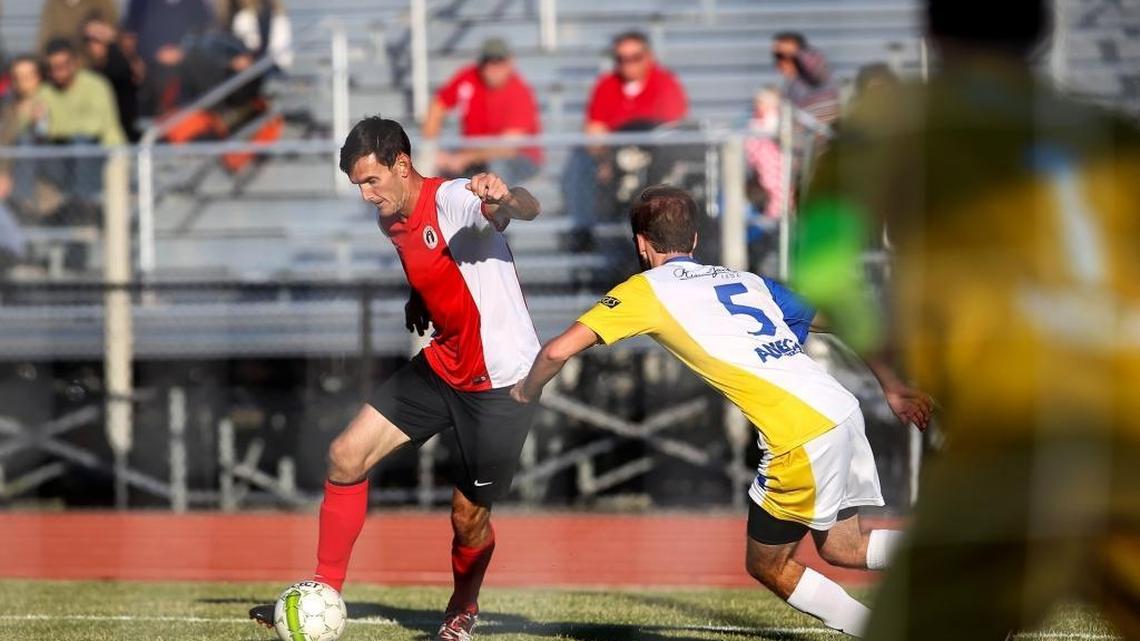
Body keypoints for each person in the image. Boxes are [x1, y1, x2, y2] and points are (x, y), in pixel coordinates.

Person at [793, 0, 1140, 639]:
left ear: (931, 32)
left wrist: (891, 367)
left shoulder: (887, 130)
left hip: (1006, 428)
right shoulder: (1112, 132)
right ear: (1043, 31)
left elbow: (820, 272)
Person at [511, 185, 932, 637]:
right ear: (694, 241)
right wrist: (891, 385)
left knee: (767, 565)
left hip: (800, 432)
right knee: (844, 548)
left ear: (640, 243)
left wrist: (524, 392)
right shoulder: (745, 280)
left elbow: (556, 351)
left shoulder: (644, 291)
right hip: (841, 411)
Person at [248, 116, 543, 641]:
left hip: (502, 381)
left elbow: (518, 207)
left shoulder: (450, 198)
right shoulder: (391, 218)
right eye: (357, 185)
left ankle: (463, 607)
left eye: (371, 181)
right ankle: (323, 591)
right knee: (345, 456)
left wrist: (504, 194)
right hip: (445, 362)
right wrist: (418, 296)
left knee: (466, 519)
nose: (365, 195)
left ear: (402, 166)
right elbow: (428, 258)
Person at [561, 31, 687, 237]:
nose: (628, 64)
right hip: (612, 159)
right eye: (621, 59)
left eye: (635, 57)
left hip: (652, 159)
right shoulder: (607, 85)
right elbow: (594, 133)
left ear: (649, 57)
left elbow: (670, 133)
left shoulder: (665, 83)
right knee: (580, 161)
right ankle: (584, 232)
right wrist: (605, 158)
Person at [422, 38, 542, 186]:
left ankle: (501, 209)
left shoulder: (519, 92)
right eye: (488, 60)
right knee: (426, 163)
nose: (493, 67)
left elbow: (508, 147)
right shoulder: (469, 77)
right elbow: (437, 106)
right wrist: (431, 147)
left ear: (510, 63)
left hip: (519, 159)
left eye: (499, 61)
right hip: (476, 156)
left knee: (496, 170)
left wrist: (464, 158)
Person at [38, 38, 125, 222]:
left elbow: (93, 127)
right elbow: (41, 130)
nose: (59, 71)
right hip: (65, 155)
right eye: (53, 66)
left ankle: (83, 205)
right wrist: (40, 123)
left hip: (103, 151)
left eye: (64, 64)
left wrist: (55, 128)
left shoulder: (95, 85)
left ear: (75, 62)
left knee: (81, 142)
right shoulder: (45, 91)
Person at [121, 0, 215, 116]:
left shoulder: (196, 3)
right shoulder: (140, 3)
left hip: (190, 68)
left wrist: (183, 52)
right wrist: (138, 60)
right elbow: (129, 37)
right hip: (153, 72)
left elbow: (207, 33)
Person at [81, 15, 142, 142]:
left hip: (119, 138)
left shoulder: (119, 69)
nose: (92, 45)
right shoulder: (83, 68)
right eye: (88, 40)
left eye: (97, 39)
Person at [771, 32, 839, 128]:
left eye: (781, 56)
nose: (779, 62)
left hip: (824, 135)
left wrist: (796, 53)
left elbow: (815, 65)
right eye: (776, 56)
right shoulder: (792, 85)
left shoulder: (816, 71)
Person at [222, 0, 294, 70]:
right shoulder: (235, 14)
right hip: (240, 67)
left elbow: (282, 56)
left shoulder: (273, 15)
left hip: (264, 68)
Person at [38, 0, 118, 51]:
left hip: (94, 67)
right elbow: (44, 41)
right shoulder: (53, 4)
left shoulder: (102, 3)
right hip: (63, 68)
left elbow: (115, 35)